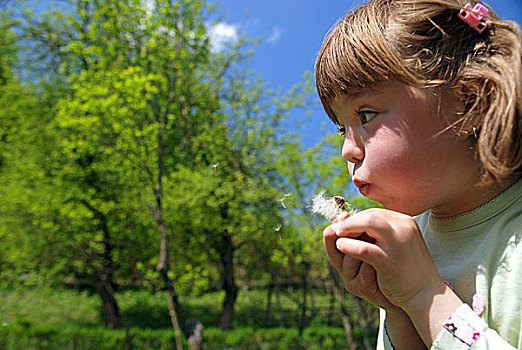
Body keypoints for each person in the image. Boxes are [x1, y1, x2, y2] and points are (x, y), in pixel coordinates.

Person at [314, 0, 522, 348]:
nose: (347, 150)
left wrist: (425, 295)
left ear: (471, 102)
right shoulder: (407, 247)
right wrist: (396, 308)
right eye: (341, 129)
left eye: (365, 115)